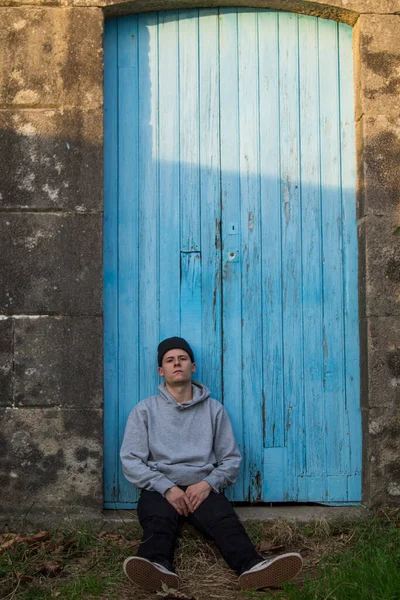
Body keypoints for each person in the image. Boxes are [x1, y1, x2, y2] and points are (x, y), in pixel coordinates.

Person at [120, 336, 302, 591]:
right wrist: (165, 487)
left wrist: (207, 483)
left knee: (224, 522)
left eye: (183, 359)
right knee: (158, 521)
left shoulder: (213, 410)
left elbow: (230, 459)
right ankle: (155, 568)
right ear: (161, 371)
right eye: (170, 361)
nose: (177, 364)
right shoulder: (144, 410)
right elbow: (131, 459)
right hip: (161, 488)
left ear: (192, 366)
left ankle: (253, 568)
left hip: (201, 487)